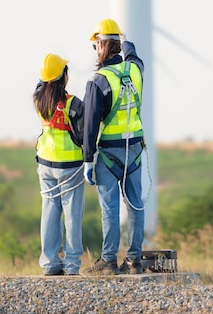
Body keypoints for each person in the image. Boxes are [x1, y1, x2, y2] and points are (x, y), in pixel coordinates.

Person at [82, 18, 146, 275]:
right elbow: (133, 55)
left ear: (100, 45)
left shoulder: (99, 81)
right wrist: (124, 39)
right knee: (135, 205)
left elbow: (90, 124)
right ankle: (134, 260)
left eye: (96, 44)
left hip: (109, 152)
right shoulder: (135, 69)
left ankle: (108, 261)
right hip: (136, 151)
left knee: (109, 208)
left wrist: (88, 159)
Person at [33, 53, 85, 276]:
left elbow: (40, 85)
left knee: (49, 213)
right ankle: (71, 264)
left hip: (45, 164)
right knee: (72, 215)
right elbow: (85, 133)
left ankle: (50, 263)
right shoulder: (73, 104)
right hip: (70, 167)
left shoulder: (38, 100)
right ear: (63, 76)